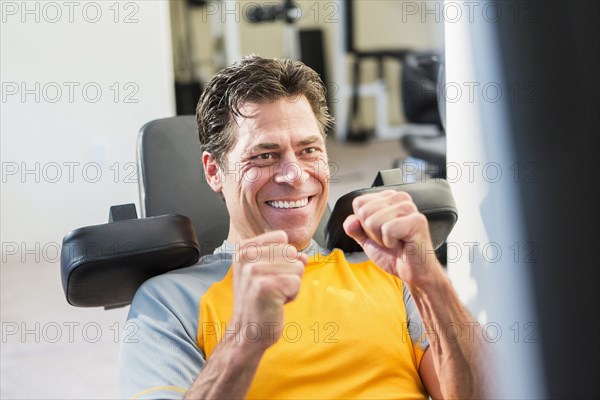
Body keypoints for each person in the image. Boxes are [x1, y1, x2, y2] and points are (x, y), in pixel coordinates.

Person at [118, 55, 490, 399]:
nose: (294, 175)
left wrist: (430, 281)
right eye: (265, 155)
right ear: (214, 171)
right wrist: (244, 341)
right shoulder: (168, 299)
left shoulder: (389, 272)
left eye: (309, 150)